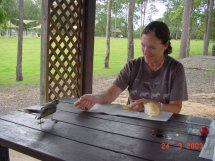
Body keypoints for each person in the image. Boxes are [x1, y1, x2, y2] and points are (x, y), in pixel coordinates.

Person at [74, 21, 188, 113]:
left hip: (162, 127)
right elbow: (111, 94)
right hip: (133, 123)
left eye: (152, 47)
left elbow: (176, 107)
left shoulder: (175, 69)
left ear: (165, 45)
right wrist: (95, 98)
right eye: (143, 45)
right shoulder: (133, 66)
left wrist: (155, 105)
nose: (146, 52)